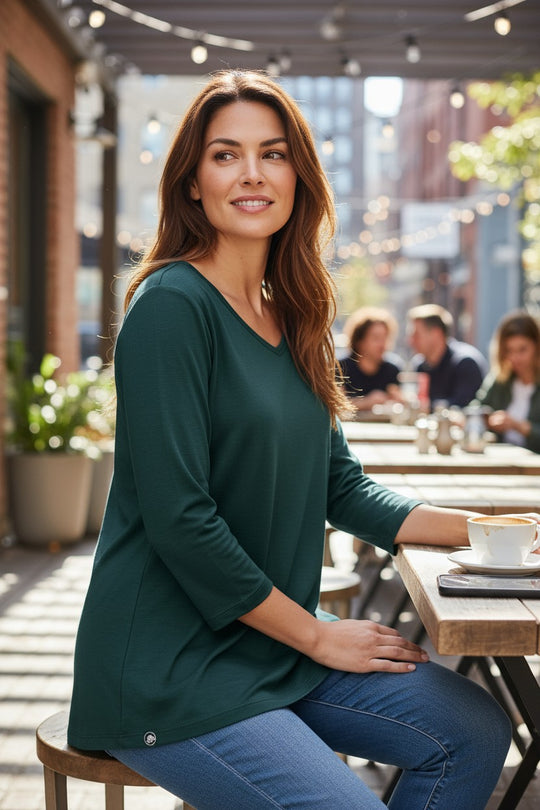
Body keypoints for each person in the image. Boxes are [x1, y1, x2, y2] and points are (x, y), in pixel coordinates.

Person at [68, 71, 515, 810]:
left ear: (298, 177)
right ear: (191, 184)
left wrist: (494, 533)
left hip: (262, 643)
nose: (251, 173)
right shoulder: (171, 307)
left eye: (272, 154)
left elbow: (342, 487)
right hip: (169, 664)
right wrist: (314, 634)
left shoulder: (295, 314)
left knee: (470, 728)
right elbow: (181, 518)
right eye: (225, 155)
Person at [476, 310, 540, 453]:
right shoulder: (500, 379)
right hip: (501, 460)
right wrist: (486, 418)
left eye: (522, 350)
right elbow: (477, 407)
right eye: (509, 350)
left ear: (537, 347)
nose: (515, 358)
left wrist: (519, 426)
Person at [408, 303, 487, 409]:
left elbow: (463, 406)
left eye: (416, 335)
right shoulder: (420, 365)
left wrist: (428, 405)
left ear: (436, 333)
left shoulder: (465, 363)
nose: (411, 341)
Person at [339, 307, 405, 411]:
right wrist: (367, 402)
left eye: (385, 338)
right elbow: (336, 405)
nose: (382, 344)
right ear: (359, 341)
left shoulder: (392, 370)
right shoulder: (340, 368)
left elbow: (399, 405)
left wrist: (398, 401)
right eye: (376, 338)